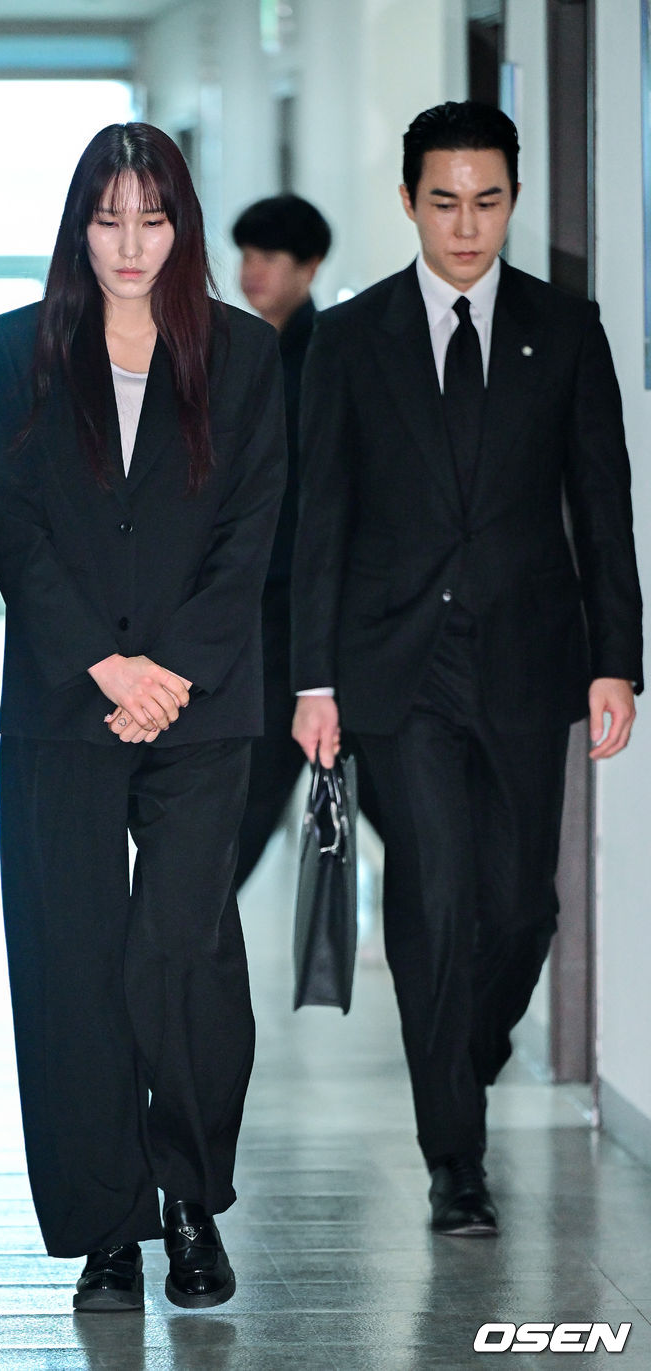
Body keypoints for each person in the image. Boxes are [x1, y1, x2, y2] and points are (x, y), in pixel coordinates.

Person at [290, 101, 642, 1237]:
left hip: (530, 660)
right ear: (408, 201)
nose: (465, 225)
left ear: (513, 200)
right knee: (435, 898)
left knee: (523, 909)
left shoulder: (564, 329)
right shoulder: (352, 339)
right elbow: (319, 518)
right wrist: (312, 681)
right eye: (443, 202)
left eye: (487, 201)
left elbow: (602, 507)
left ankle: (460, 1058)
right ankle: (456, 1159)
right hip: (396, 671)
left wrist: (617, 660)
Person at [0, 122, 286, 1313]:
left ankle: (190, 1202)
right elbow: (16, 527)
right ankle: (106, 1228)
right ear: (78, 226)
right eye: (107, 219)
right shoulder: (18, 348)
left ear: (180, 227)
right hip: (65, 702)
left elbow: (251, 530)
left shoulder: (244, 354)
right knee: (70, 959)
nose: (128, 244)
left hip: (200, 706)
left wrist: (170, 673)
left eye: (151, 220)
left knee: (182, 954)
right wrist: (105, 667)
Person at [230, 194, 333, 886]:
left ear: (310, 265)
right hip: (242, 606)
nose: (252, 270)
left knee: (256, 792)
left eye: (270, 256)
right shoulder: (231, 350)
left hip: (300, 607)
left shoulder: (329, 356)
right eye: (246, 254)